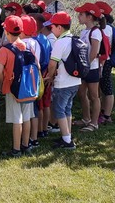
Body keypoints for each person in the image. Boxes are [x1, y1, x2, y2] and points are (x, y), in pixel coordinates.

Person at [0, 15, 33, 157]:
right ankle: (26, 145)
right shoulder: (27, 45)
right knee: (27, 117)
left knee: (16, 118)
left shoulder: (4, 50)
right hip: (27, 87)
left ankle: (16, 149)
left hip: (11, 88)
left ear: (6, 31)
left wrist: (2, 83)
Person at [44, 12, 81, 149]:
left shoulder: (60, 42)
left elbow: (52, 64)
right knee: (67, 109)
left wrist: (50, 76)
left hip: (63, 83)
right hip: (75, 82)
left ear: (59, 27)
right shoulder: (74, 39)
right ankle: (67, 135)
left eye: (52, 27)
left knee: (59, 110)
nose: (51, 30)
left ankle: (67, 142)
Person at [74, 3, 105, 132]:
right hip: (84, 67)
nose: (78, 17)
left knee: (93, 96)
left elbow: (94, 52)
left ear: (90, 17)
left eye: (81, 14)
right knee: (82, 93)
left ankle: (94, 123)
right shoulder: (84, 31)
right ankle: (86, 118)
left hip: (91, 68)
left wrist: (85, 65)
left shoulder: (96, 32)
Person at [20, 15, 41, 148]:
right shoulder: (35, 42)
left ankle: (27, 139)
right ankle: (34, 137)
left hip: (24, 80)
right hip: (34, 80)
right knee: (34, 109)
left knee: (27, 112)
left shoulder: (23, 43)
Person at [95, 1, 114, 124]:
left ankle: (107, 115)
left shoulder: (106, 28)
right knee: (103, 86)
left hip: (104, 61)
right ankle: (103, 111)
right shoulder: (107, 27)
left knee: (107, 88)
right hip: (104, 60)